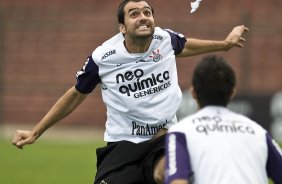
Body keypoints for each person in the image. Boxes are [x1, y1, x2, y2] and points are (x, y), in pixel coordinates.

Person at [12, 0, 249, 184]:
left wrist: (225, 44)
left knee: (168, 173)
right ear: (122, 27)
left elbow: (185, 45)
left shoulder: (165, 39)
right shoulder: (103, 57)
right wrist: (36, 131)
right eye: (134, 14)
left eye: (147, 12)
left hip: (162, 140)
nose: (143, 17)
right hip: (122, 144)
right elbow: (75, 94)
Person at [165, 55, 282, 184]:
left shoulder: (180, 132)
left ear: (193, 92)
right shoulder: (259, 132)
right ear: (232, 92)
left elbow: (177, 181)